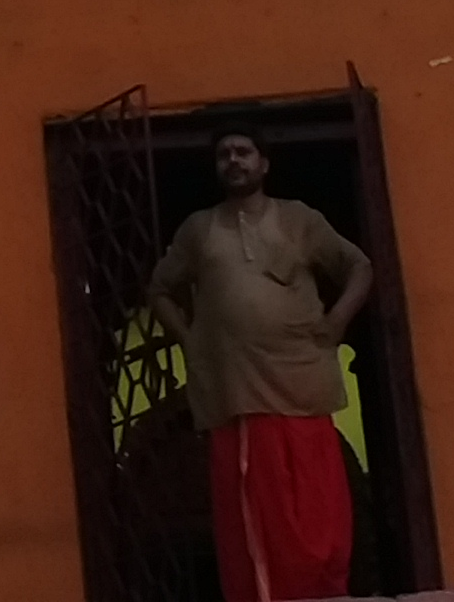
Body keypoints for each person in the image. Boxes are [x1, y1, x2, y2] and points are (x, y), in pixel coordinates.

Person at [144, 131, 374, 602]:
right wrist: (191, 339)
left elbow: (359, 267)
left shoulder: (299, 219)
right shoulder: (199, 229)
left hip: (303, 384)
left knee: (319, 517)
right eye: (224, 155)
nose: (233, 161)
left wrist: (336, 321)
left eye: (243, 152)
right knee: (255, 525)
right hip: (240, 397)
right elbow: (160, 290)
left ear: (264, 164)